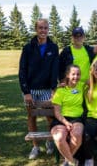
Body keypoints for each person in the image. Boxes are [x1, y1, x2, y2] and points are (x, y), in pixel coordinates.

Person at [19, 18, 59, 159]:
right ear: (36, 29)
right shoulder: (28, 47)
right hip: (31, 90)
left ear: (48, 29)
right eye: (40, 28)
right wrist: (26, 92)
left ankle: (49, 142)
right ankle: (35, 146)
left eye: (45, 28)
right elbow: (22, 70)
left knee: (50, 117)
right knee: (31, 117)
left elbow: (55, 69)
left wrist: (54, 89)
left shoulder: (53, 47)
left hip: (47, 89)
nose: (43, 30)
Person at [51, 65, 84, 166]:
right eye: (73, 74)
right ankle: (72, 161)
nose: (76, 77)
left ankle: (66, 161)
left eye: (78, 74)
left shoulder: (82, 86)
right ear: (67, 75)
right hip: (61, 119)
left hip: (77, 118)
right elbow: (56, 112)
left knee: (77, 135)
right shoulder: (60, 90)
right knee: (59, 137)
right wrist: (65, 122)